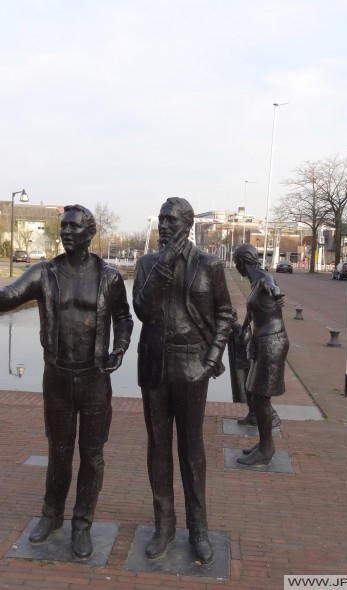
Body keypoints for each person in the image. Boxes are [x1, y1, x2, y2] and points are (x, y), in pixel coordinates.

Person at [0, 204, 133, 560]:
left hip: (95, 378)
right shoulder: (44, 273)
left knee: (92, 454)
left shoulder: (108, 277)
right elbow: (8, 297)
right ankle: (52, 515)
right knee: (59, 451)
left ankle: (82, 523)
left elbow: (123, 317)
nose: (66, 232)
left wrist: (121, 348)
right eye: (63, 227)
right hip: (58, 377)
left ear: (89, 232)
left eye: (73, 227)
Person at [133, 197, 234, 565]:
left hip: (193, 366)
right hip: (156, 367)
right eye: (160, 219)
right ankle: (163, 526)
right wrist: (164, 266)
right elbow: (144, 310)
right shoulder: (146, 264)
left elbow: (225, 313)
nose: (162, 226)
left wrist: (211, 360)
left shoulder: (209, 265)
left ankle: (199, 529)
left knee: (192, 449)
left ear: (187, 224)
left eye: (170, 220)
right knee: (158, 446)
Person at [232, 243, 289, 466]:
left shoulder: (264, 279)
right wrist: (245, 327)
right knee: (254, 392)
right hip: (261, 342)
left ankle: (267, 449)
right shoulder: (254, 282)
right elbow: (252, 309)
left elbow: (272, 287)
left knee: (261, 396)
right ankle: (264, 443)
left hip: (272, 343)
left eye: (236, 263)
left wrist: (276, 293)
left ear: (240, 262)